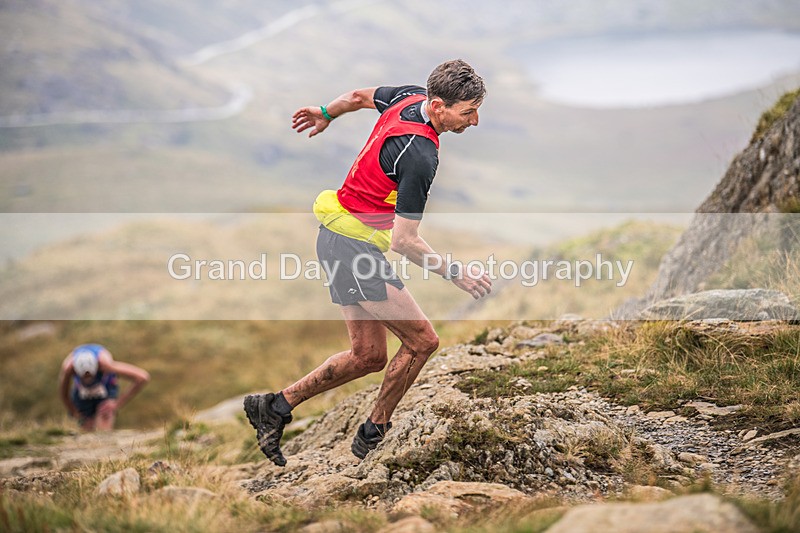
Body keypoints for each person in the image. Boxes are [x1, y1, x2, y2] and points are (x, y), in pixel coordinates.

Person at [244, 59, 492, 466]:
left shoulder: (409, 95)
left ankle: (274, 407)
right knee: (423, 341)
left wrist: (325, 113)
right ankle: (375, 431)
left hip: (336, 238)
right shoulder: (420, 155)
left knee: (369, 357)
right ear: (437, 105)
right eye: (468, 111)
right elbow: (405, 241)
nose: (476, 120)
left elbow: (359, 97)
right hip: (353, 249)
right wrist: (456, 273)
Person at [58, 344, 150, 431]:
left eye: (90, 375)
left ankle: (104, 440)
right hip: (81, 393)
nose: (88, 379)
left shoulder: (106, 365)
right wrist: (74, 411)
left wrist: (117, 404)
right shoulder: (68, 369)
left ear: (98, 369)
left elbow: (142, 377)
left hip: (106, 388)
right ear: (76, 372)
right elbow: (64, 394)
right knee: (86, 430)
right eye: (84, 377)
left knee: (104, 421)